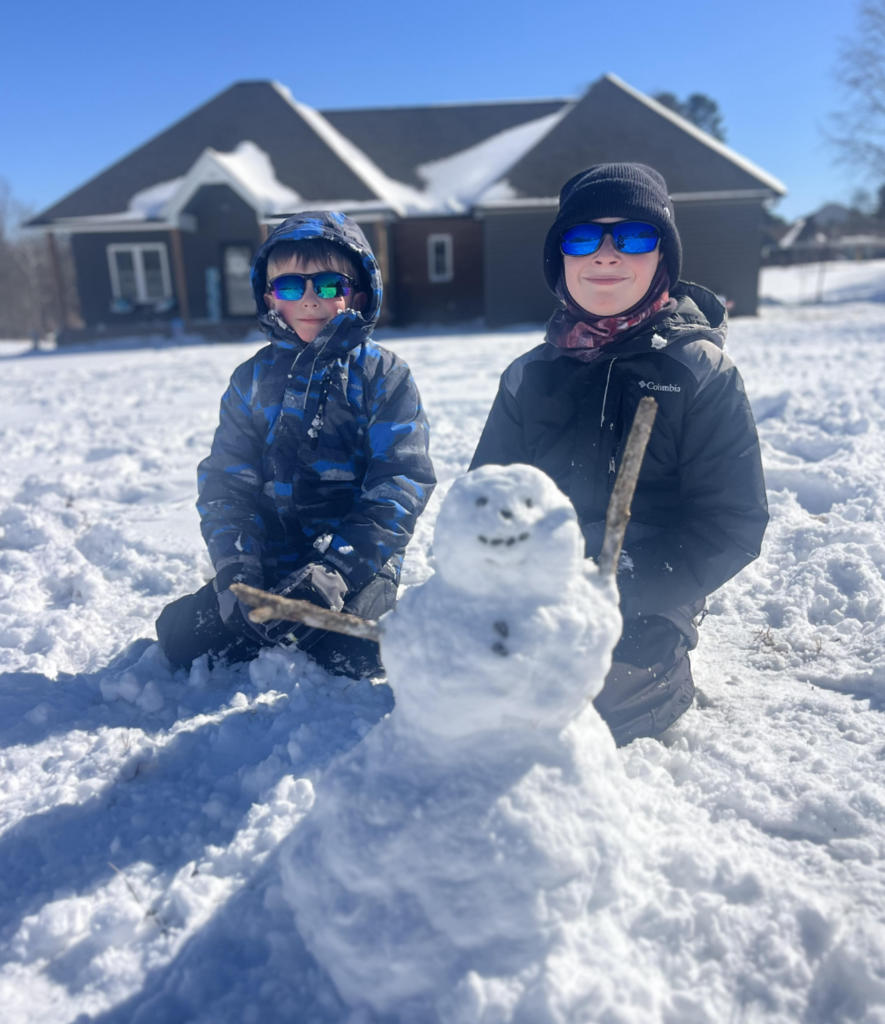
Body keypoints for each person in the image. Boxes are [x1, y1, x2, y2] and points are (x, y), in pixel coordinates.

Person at [470, 163, 768, 745]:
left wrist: (622, 589)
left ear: (663, 258)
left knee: (578, 705)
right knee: (462, 680)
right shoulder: (528, 376)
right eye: (583, 238)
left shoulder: (699, 373)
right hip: (541, 586)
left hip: (648, 592)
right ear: (561, 260)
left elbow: (732, 523)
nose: (605, 255)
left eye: (632, 237)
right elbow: (487, 502)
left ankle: (660, 674)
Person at [156, 212, 436, 678]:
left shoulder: (384, 376)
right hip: (269, 554)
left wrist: (338, 571)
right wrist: (237, 570)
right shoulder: (250, 380)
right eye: (289, 287)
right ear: (270, 298)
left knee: (354, 652)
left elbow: (400, 483)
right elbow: (227, 481)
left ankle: (348, 603)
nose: (309, 299)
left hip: (353, 557)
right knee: (183, 641)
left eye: (327, 285)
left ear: (357, 294)